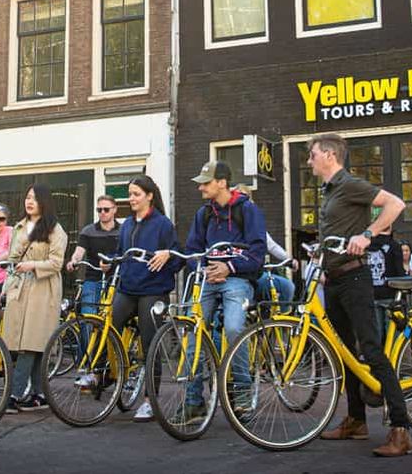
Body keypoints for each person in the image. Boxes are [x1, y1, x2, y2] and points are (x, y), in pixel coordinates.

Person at [308, 133, 412, 457]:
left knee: (370, 348)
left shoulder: (350, 184)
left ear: (328, 155)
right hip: (335, 279)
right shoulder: (329, 191)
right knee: (343, 350)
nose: (309, 161)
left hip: (355, 277)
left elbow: (396, 204)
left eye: (312, 155)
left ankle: (401, 430)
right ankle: (356, 420)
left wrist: (367, 234)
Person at [182, 161, 267, 424]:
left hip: (237, 280)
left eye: (206, 182)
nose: (200, 187)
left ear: (222, 182)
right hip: (209, 279)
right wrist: (202, 267)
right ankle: (193, 402)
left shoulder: (248, 210)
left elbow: (258, 254)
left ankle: (241, 392)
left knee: (233, 328)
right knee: (193, 331)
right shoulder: (203, 214)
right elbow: (191, 251)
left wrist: (229, 267)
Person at [100, 175, 180, 423]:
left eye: (135, 194)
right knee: (108, 324)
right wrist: (110, 262)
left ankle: (149, 400)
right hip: (128, 287)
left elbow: (179, 258)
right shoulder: (126, 225)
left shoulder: (163, 224)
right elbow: (120, 253)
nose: (131, 198)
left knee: (150, 343)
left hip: (153, 290)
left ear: (149, 196)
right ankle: (105, 373)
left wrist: (168, 255)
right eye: (130, 194)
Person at [2, 184, 68, 413]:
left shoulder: (55, 230)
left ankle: (14, 394)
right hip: (20, 287)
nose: (29, 202)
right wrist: (5, 288)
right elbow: (12, 260)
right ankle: (40, 393)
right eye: (27, 197)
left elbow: (57, 263)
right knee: (27, 343)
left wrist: (33, 265)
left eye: (35, 198)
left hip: (43, 289)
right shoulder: (19, 227)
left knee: (30, 344)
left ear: (44, 202)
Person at [67, 195, 121, 314]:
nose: (102, 213)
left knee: (116, 314)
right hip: (93, 278)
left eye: (106, 209)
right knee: (88, 312)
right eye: (99, 210)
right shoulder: (88, 231)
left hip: (116, 280)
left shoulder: (123, 231)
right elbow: (79, 252)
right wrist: (73, 261)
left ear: (114, 209)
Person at [366, 222, 405, 342]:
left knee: (375, 332)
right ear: (391, 227)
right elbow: (400, 272)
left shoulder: (368, 245)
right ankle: (394, 358)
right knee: (393, 332)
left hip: (372, 293)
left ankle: (377, 358)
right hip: (390, 293)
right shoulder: (394, 245)